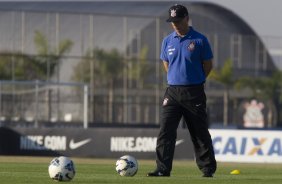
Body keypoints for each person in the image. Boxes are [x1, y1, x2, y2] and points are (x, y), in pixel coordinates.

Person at [147, 4, 217, 177]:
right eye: (172, 21)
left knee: (198, 131)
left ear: (186, 18)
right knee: (166, 130)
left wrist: (195, 79)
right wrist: (176, 79)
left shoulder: (200, 40)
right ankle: (163, 169)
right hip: (172, 92)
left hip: (194, 92)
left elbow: (208, 66)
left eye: (178, 20)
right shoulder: (167, 41)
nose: (175, 24)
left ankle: (207, 169)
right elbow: (167, 65)